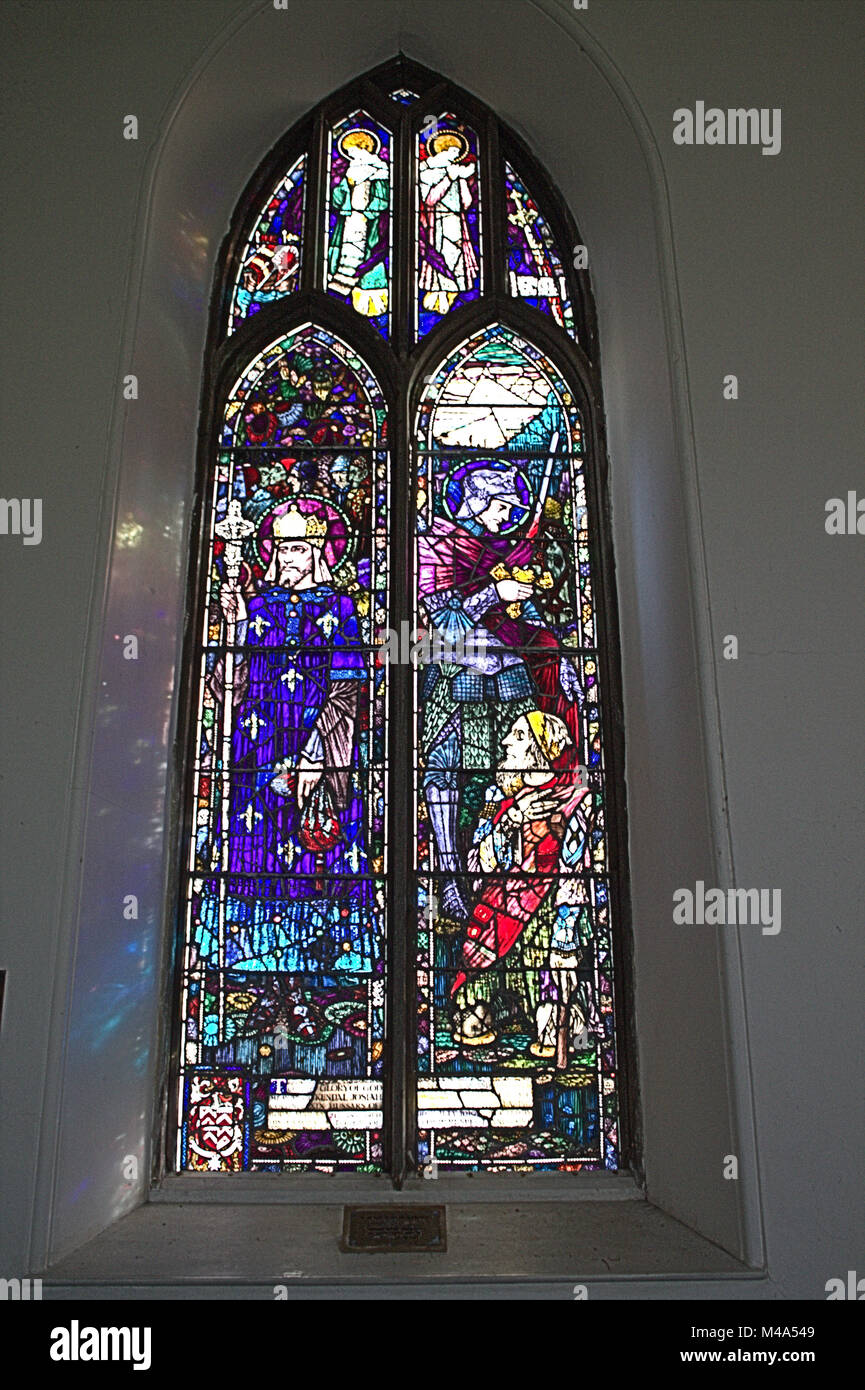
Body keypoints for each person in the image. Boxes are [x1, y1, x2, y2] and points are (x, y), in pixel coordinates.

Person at [193, 502, 376, 975]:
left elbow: (347, 687)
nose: (289, 557)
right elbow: (224, 689)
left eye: (299, 547)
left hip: (321, 740)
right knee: (254, 841)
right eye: (282, 547)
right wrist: (232, 628)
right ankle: (245, 953)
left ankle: (331, 955)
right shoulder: (256, 608)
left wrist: (316, 756)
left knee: (320, 843)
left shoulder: (339, 608)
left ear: (320, 552)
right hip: (257, 745)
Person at [418, 462, 582, 920]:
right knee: (444, 775)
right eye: (503, 508)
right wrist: (492, 593)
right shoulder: (436, 547)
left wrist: (560, 654)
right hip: (458, 674)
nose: (506, 518)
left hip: (508, 674)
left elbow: (527, 623)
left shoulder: (501, 554)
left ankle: (504, 885)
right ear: (478, 502)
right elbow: (445, 624)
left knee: (507, 775)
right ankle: (449, 880)